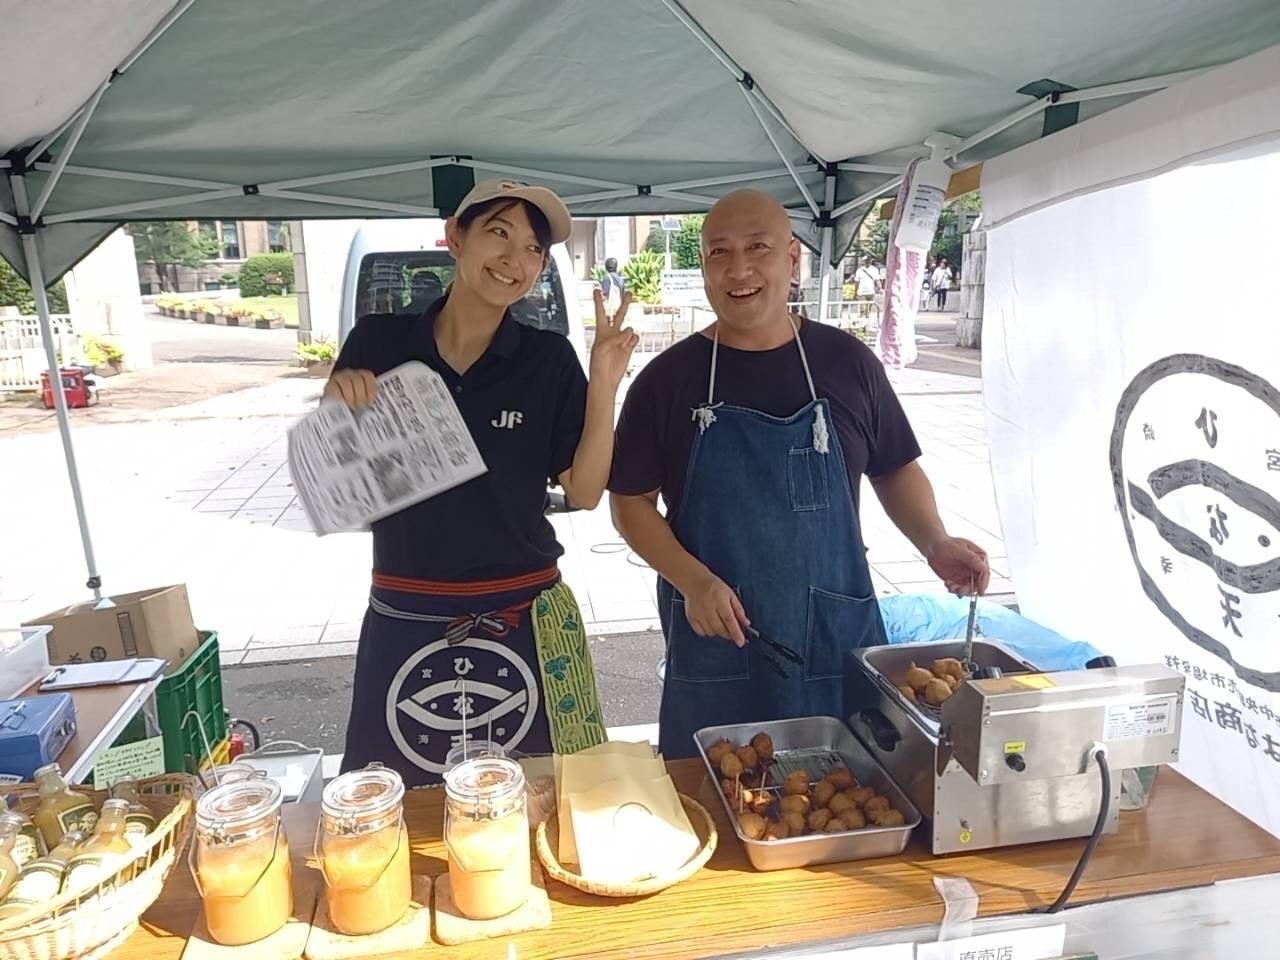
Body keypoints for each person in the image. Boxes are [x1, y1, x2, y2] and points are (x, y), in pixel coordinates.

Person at [608, 190, 989, 758]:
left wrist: (934, 540)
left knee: (855, 787)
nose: (739, 269)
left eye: (757, 248)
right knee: (709, 794)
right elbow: (629, 503)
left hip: (834, 639)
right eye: (719, 252)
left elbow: (895, 467)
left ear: (792, 259)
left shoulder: (848, 362)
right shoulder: (665, 381)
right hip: (719, 644)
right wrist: (692, 581)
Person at [325, 179, 639, 786]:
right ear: (455, 237)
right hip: (407, 611)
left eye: (533, 249)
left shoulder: (547, 358)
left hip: (525, 613)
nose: (514, 259)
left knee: (547, 799)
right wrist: (337, 412)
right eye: (499, 233)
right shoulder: (378, 342)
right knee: (393, 798)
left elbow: (583, 491)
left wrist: (604, 383)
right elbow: (343, 481)